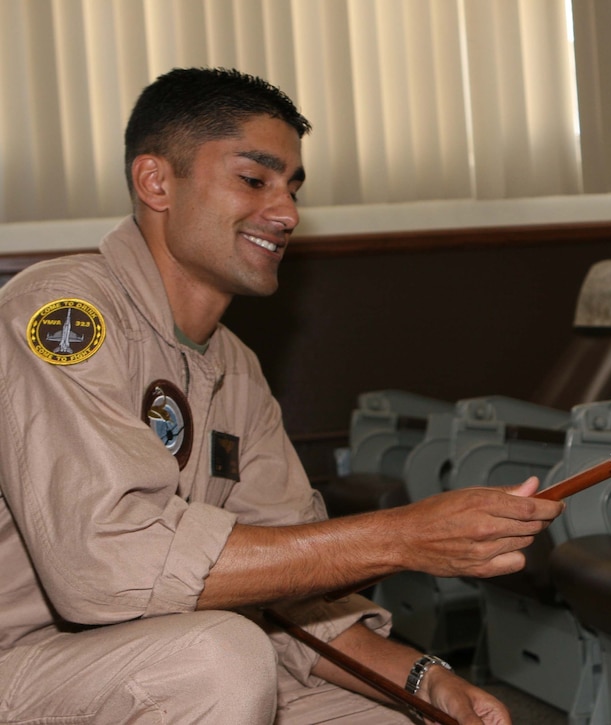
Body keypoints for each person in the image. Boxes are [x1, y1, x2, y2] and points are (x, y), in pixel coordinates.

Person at [0, 67, 565, 724]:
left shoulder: (236, 367)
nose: (288, 212)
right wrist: (402, 536)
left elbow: (289, 574)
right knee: (221, 656)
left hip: (175, 650)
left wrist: (424, 679)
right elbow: (110, 560)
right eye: (253, 179)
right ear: (156, 181)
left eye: (293, 188)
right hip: (29, 659)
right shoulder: (61, 313)